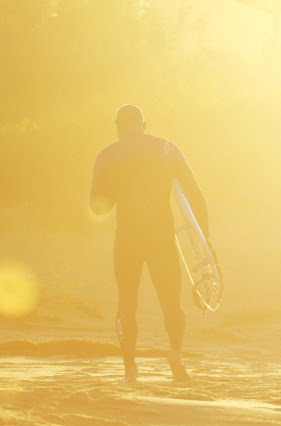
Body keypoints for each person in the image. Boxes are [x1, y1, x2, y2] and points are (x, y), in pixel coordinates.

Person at [90, 104, 209, 383]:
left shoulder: (106, 156)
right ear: (145, 125)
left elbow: (97, 208)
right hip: (161, 239)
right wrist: (206, 242)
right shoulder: (169, 150)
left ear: (117, 126)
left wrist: (117, 187)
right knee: (172, 305)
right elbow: (196, 196)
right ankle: (176, 354)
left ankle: (130, 369)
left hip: (128, 240)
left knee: (126, 305)